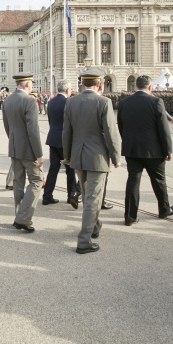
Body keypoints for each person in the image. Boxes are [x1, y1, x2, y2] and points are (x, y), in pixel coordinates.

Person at [62, 67, 121, 254]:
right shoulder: (104, 102)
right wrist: (116, 156)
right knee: (93, 200)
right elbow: (111, 133)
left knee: (89, 196)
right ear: (99, 84)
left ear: (82, 84)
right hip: (97, 157)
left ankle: (94, 227)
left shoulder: (71, 102)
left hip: (78, 156)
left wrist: (68, 156)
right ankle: (84, 241)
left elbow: (66, 132)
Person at [117, 75, 173, 226]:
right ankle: (164, 210)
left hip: (132, 148)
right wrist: (168, 149)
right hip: (153, 150)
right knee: (159, 181)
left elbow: (121, 125)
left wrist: (127, 141)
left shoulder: (124, 102)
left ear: (136, 86)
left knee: (133, 181)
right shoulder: (156, 101)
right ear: (150, 87)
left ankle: (130, 216)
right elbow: (163, 129)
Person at [2, 73, 44, 232]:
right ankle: (23, 218)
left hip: (14, 146)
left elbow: (7, 126)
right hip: (28, 149)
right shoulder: (29, 101)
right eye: (31, 83)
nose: (32, 86)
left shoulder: (8, 100)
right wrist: (39, 154)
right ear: (27, 84)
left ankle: (18, 215)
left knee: (18, 183)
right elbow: (33, 130)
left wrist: (13, 141)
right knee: (36, 181)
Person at [42, 80, 75, 207]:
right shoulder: (68, 102)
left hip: (53, 137)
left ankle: (47, 195)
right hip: (65, 140)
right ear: (67, 90)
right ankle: (71, 195)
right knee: (70, 169)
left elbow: (51, 120)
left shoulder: (51, 102)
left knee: (53, 168)